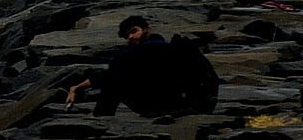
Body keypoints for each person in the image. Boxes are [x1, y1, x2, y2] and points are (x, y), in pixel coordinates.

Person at [65, 15, 219, 117]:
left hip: (171, 105)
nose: (131, 37)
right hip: (189, 103)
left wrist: (77, 88)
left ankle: (100, 123)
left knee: (114, 81)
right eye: (127, 36)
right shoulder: (168, 47)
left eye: (134, 31)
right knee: (117, 75)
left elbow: (112, 72)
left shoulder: (147, 50)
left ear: (147, 30)